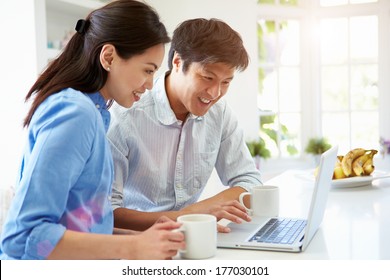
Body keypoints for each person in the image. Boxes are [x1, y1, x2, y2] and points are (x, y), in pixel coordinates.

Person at [0, 0, 185, 260]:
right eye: (147, 70)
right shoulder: (75, 113)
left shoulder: (95, 113)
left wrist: (139, 240)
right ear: (108, 56)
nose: (149, 84)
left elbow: (79, 224)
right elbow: (22, 237)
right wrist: (132, 248)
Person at [107, 18, 263, 233]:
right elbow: (108, 213)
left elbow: (249, 180)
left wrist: (197, 214)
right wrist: (190, 216)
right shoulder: (124, 115)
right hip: (139, 243)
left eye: (226, 82)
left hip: (196, 236)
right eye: (208, 77)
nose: (215, 93)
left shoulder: (220, 113)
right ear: (178, 62)